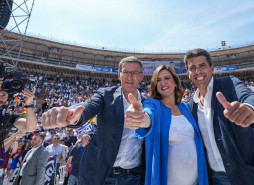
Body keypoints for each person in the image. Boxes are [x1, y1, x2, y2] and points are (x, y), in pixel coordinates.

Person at [41, 56, 146, 185]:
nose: (130, 77)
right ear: (119, 75)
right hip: (99, 173)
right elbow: (88, 106)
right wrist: (72, 115)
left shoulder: (148, 104)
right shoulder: (106, 95)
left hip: (132, 177)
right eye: (126, 72)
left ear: (141, 76)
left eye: (134, 73)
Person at [184, 48, 254, 184]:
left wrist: (250, 110)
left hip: (248, 174)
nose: (198, 71)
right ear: (188, 73)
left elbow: (253, 99)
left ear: (211, 68)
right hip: (217, 178)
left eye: (202, 66)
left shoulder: (228, 83)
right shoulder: (191, 105)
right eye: (192, 68)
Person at [125, 65, 209, 185]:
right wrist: (139, 117)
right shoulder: (153, 105)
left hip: (196, 180)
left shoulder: (186, 107)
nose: (162, 83)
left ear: (175, 82)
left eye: (167, 78)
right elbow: (148, 117)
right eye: (158, 80)